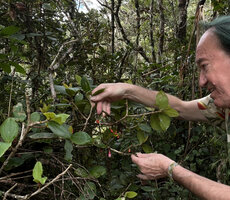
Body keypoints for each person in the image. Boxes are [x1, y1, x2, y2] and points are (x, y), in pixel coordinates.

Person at [90, 16, 230, 199]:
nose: (202, 81)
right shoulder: (224, 107)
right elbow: (180, 108)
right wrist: (126, 90)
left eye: (205, 66)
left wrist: (170, 169)